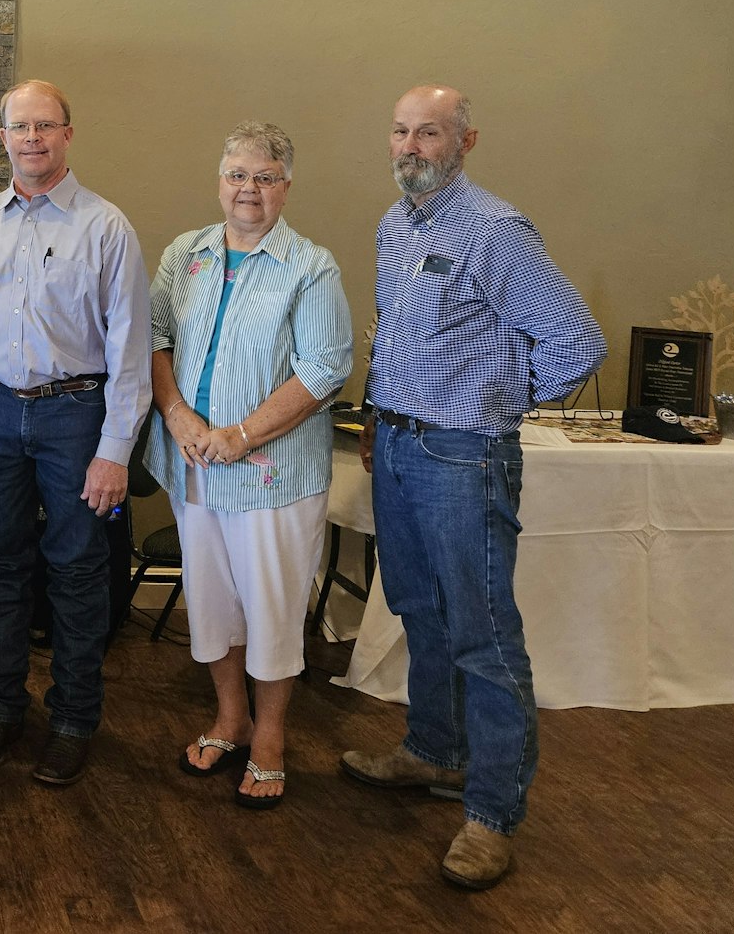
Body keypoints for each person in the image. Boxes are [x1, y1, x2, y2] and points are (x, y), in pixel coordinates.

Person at [344, 85, 604, 890]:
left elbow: (576, 341)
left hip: (462, 456)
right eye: (400, 131)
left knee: (484, 640)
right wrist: (376, 422)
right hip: (393, 444)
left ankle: (492, 817)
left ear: (465, 141)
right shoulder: (396, 225)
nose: (411, 146)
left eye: (430, 133)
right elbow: (397, 332)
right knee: (418, 610)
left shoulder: (495, 231)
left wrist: (489, 402)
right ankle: (433, 751)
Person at [0, 80, 150, 786]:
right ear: (2, 139)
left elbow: (131, 350)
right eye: (20, 127)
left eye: (45, 126)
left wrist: (115, 451)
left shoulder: (106, 227)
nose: (32, 139)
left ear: (68, 134)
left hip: (76, 416)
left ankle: (74, 721)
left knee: (79, 571)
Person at [146, 122, 352, 810]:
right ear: (219, 180)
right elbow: (154, 338)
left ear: (286, 187)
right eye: (237, 174)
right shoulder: (187, 253)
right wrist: (177, 415)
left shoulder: (310, 266)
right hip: (194, 465)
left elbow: (324, 367)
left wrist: (240, 434)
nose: (248, 190)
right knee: (211, 604)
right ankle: (228, 719)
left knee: (270, 609)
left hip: (271, 475)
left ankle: (269, 738)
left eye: (264, 177)